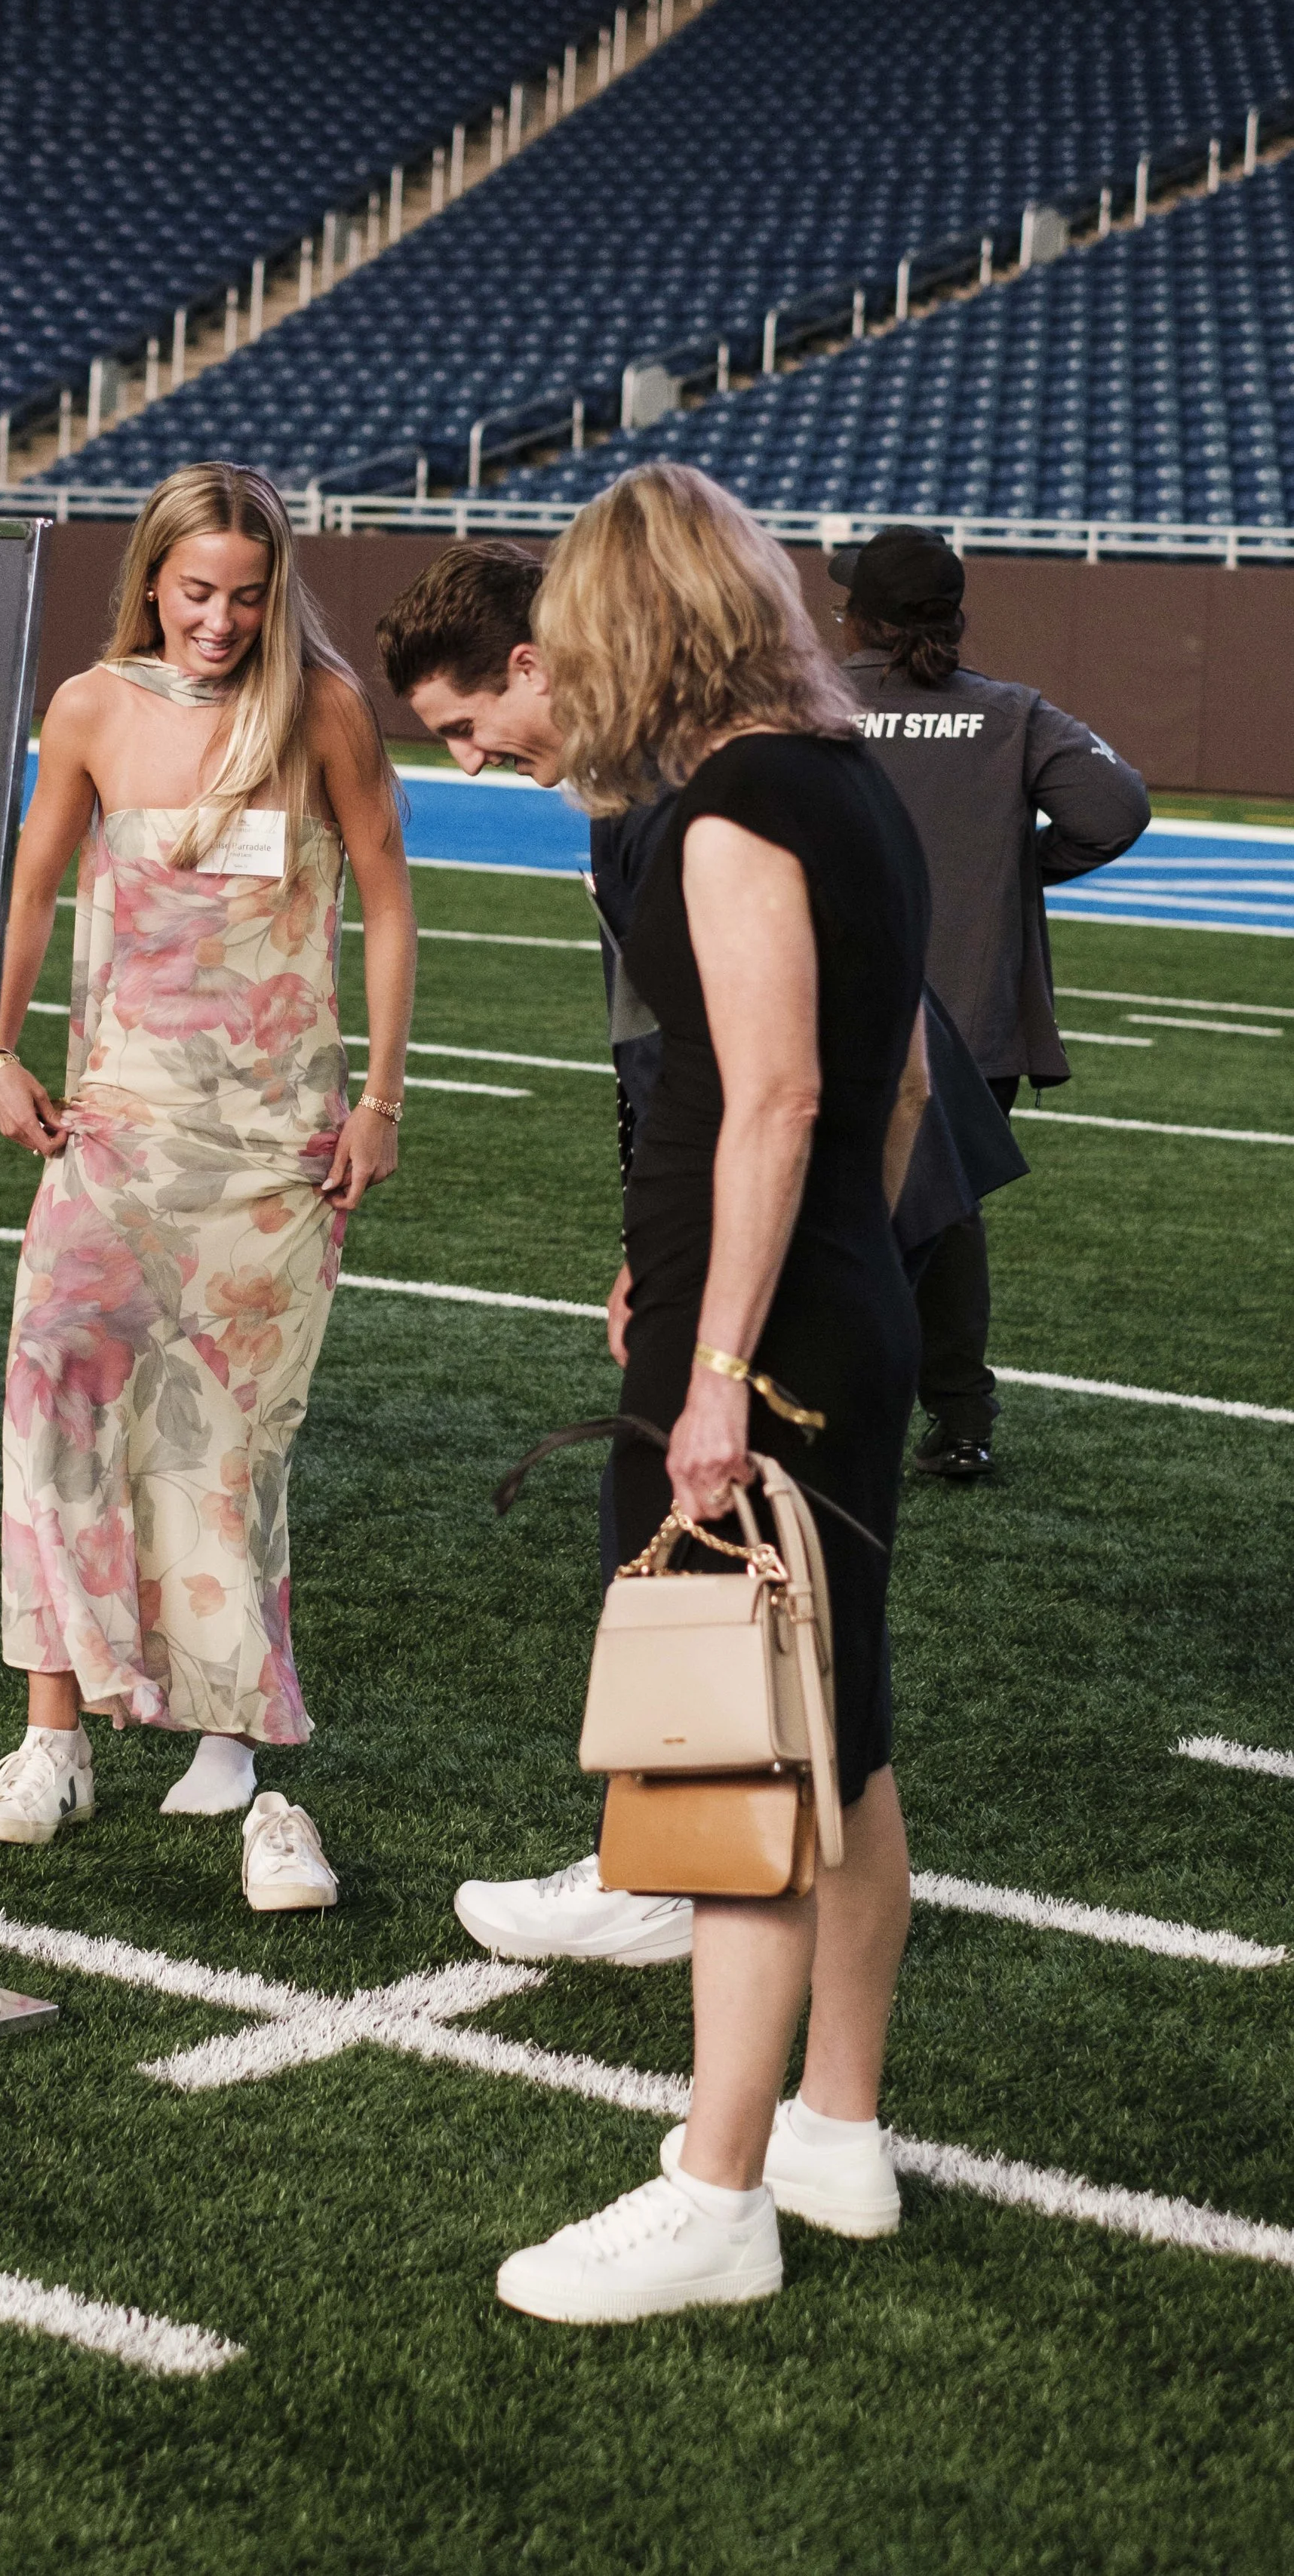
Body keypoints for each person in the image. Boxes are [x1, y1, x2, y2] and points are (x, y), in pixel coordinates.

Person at [411, 463, 932, 2319]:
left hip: (770, 1338)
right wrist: (806, 1286)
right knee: (841, 1730)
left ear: (631, 619)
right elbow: (893, 1099)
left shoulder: (729, 805)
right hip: (840, 1302)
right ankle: (836, 2128)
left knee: (737, 1754)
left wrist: (718, 1357)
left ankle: (716, 2187)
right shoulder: (854, 786)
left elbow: (778, 1095)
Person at [383, 536, 1019, 1985]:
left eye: (469, 728)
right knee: (833, 1679)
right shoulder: (814, 764)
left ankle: (670, 1877)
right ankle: (793, 2062)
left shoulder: (699, 797)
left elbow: (738, 1080)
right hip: (825, 1221)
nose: (474, 764)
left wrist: (711, 1317)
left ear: (548, 657)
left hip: (780, 1235)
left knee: (711, 1598)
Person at [0, 463, 417, 1910]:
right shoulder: (92, 709)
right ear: (152, 582)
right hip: (114, 1128)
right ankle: (55, 1738)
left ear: (275, 588)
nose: (219, 620)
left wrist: (382, 1099)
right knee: (57, 1395)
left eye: (244, 593)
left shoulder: (328, 711)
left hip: (277, 1155)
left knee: (230, 1443)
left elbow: (391, 898)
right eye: (194, 591)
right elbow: (35, 885)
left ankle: (236, 1745)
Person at [832, 524, 1150, 1479]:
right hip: (971, 1021)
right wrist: (1021, 869)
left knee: (826, 1216)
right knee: (945, 1218)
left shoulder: (808, 708)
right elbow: (1116, 808)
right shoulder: (1011, 713)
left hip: (833, 1010)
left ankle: (828, 1409)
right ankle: (961, 1420)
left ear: (854, 617)